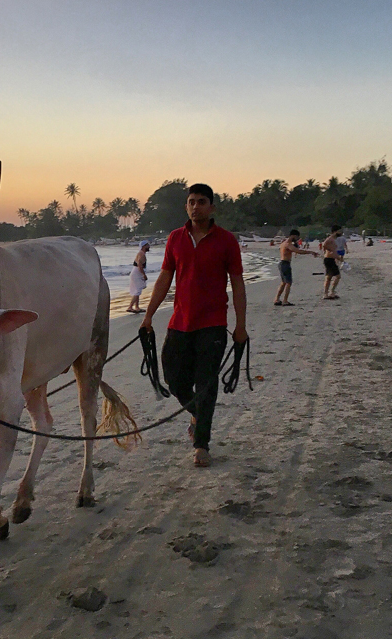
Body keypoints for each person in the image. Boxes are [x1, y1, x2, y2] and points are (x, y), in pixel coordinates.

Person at [142, 183, 248, 468]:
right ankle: (198, 415)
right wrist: (148, 315)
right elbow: (164, 277)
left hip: (213, 323)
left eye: (201, 202)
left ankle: (202, 444)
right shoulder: (175, 238)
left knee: (206, 384)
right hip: (180, 322)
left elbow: (237, 283)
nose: (195, 206)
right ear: (186, 206)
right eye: (191, 202)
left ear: (211, 207)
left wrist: (241, 326)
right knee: (174, 380)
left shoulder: (226, 241)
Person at [274, 228, 318, 306]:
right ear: (294, 235)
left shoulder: (284, 243)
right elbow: (299, 251)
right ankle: (285, 300)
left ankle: (277, 299)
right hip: (285, 263)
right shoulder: (288, 244)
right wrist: (311, 252)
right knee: (288, 282)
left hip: (282, 263)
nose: (297, 239)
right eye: (297, 237)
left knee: (283, 282)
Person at [127, 240, 150, 313]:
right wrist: (144, 274)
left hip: (136, 272)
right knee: (137, 291)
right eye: (147, 245)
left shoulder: (141, 253)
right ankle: (130, 307)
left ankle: (137, 307)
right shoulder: (141, 254)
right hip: (137, 273)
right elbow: (139, 265)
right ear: (144, 246)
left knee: (138, 290)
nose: (149, 246)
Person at [322, 225, 343, 299]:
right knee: (334, 276)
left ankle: (330, 292)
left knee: (330, 276)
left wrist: (338, 258)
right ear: (335, 231)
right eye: (339, 231)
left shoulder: (333, 239)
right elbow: (324, 244)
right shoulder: (330, 239)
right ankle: (328, 293)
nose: (340, 232)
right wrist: (329, 250)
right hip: (328, 259)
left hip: (331, 259)